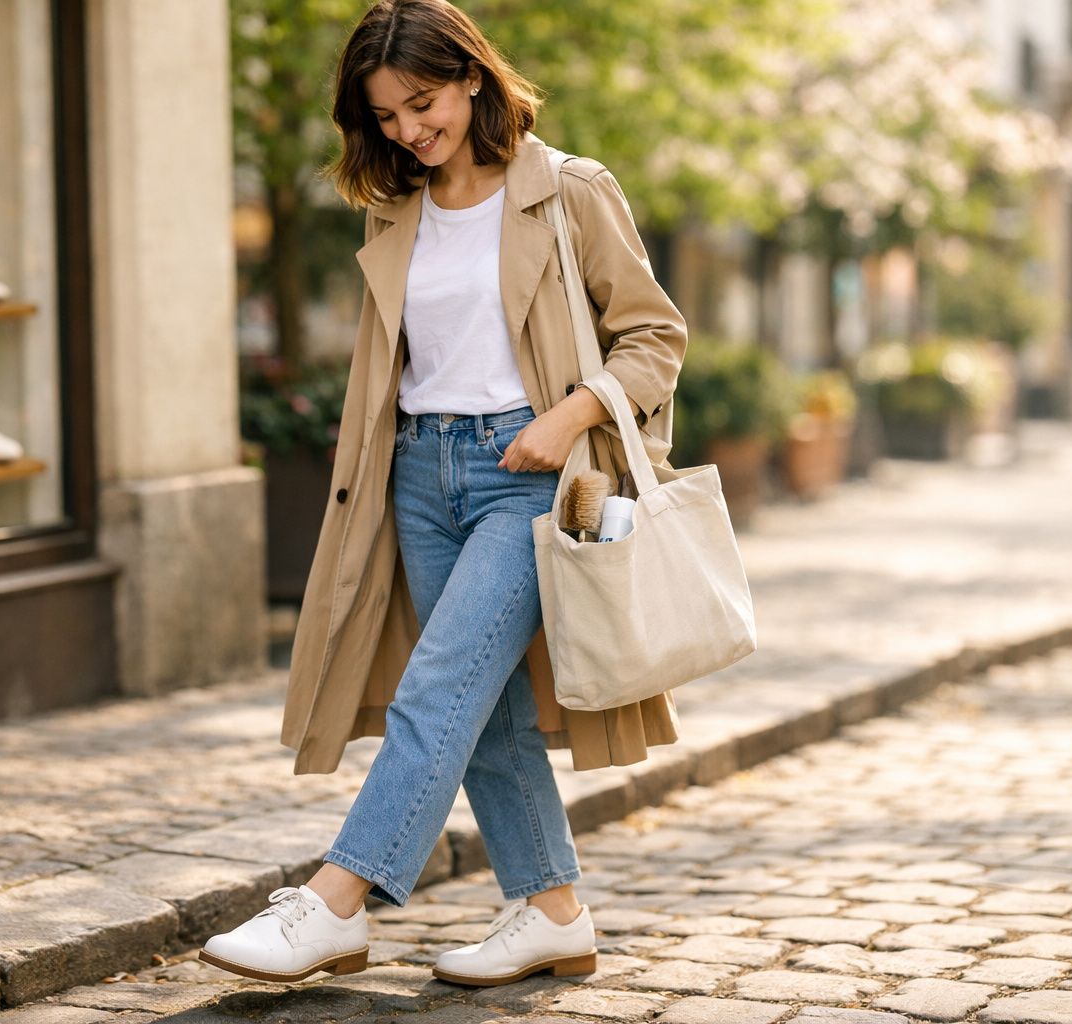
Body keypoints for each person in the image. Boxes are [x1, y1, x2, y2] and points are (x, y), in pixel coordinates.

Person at [200, 0, 687, 988]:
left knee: (435, 687)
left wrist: (567, 416)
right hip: (418, 474)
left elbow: (656, 337)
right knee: (484, 704)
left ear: (472, 77)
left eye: (422, 104)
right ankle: (553, 911)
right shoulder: (396, 209)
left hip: (529, 474)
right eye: (386, 117)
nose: (409, 131)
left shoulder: (570, 190)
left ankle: (335, 901)